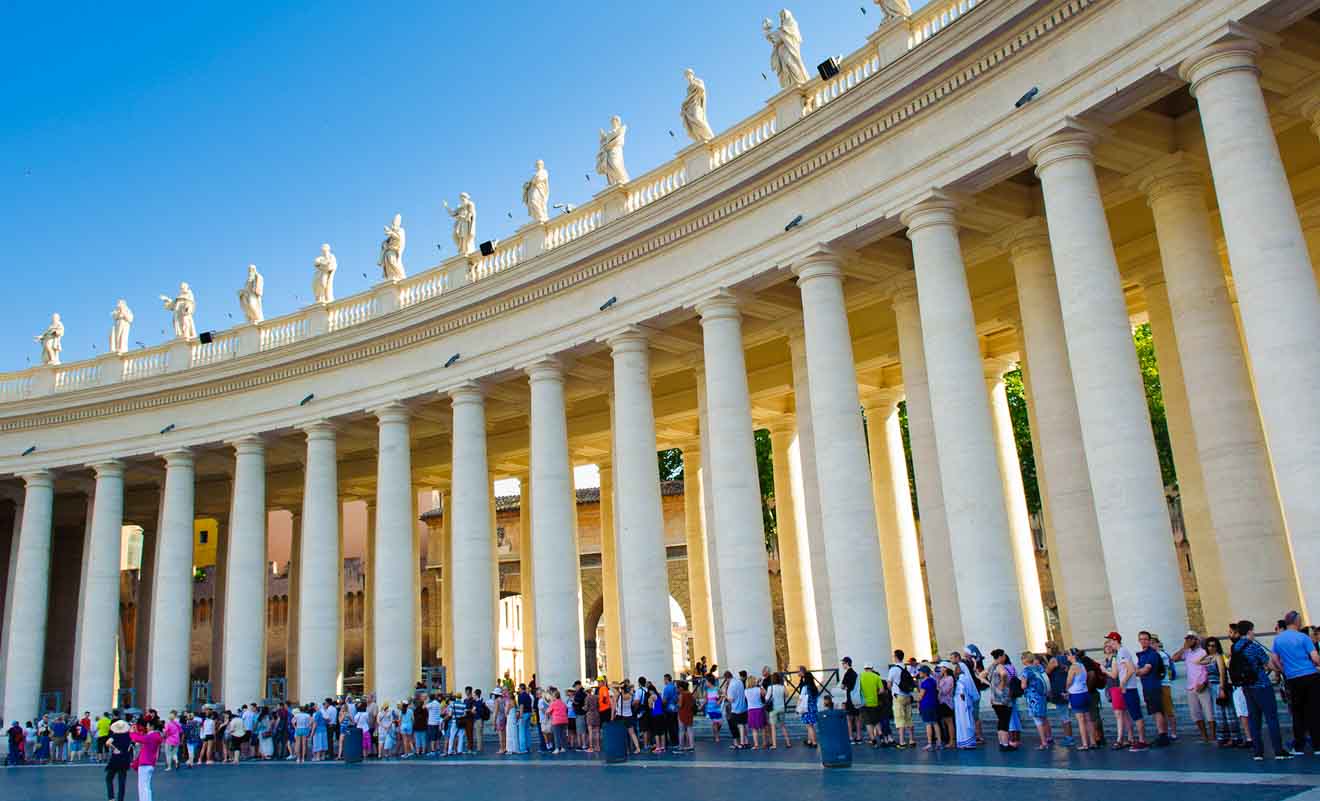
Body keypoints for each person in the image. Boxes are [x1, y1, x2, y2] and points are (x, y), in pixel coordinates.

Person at [1232, 619, 1290, 760]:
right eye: (1253, 630)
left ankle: (1258, 752)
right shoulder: (1254, 647)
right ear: (1250, 631)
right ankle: (1278, 750)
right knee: (1271, 718)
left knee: (1254, 718)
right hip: (1261, 685)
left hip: (1247, 686)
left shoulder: (1235, 647)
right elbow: (1268, 664)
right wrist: (1280, 669)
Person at [1274, 610, 1320, 755]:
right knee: (1314, 710)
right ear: (1296, 621)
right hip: (1310, 675)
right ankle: (1318, 746)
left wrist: (1284, 670)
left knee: (1297, 712)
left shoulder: (1279, 639)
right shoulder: (1303, 637)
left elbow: (1274, 659)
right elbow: (1315, 658)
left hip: (1292, 678)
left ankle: (1299, 746)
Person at [1174, 632, 1214, 743]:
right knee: (1195, 713)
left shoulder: (1204, 651)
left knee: (1209, 712)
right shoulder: (1186, 652)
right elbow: (1174, 658)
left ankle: (1213, 736)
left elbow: (1208, 668)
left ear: (1196, 640)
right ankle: (1204, 736)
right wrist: (1183, 648)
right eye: (1186, 639)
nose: (1188, 641)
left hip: (1202, 685)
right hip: (1191, 687)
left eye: (1190, 639)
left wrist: (1205, 682)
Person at [1136, 631, 1170, 746]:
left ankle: (1163, 736)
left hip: (1153, 686)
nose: (1143, 641)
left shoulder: (1152, 654)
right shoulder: (1143, 654)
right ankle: (1162, 734)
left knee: (1157, 711)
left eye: (1145, 639)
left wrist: (1131, 671)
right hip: (1147, 686)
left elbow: (1145, 670)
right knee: (1155, 711)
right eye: (1141, 639)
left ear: (1149, 640)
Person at [1045, 643, 1075, 746]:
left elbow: (1046, 672)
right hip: (1068, 687)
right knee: (1068, 714)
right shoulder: (1066, 658)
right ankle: (1070, 737)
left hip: (1058, 689)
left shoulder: (1054, 660)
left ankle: (1069, 738)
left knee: (1064, 715)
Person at [1021, 652, 1053, 749]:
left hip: (1033, 697)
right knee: (1044, 717)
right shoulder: (1039, 667)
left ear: (1025, 660)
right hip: (1042, 695)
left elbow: (1023, 685)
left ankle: (1043, 743)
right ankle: (1049, 737)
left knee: (1037, 720)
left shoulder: (1026, 671)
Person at [1066, 651, 1095, 750]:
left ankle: (1085, 744)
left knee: (1081, 721)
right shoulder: (1082, 665)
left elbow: (1069, 681)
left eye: (1068, 654)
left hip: (1076, 694)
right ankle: (1093, 742)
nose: (1067, 656)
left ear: (1073, 656)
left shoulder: (1073, 667)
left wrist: (1066, 689)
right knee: (1088, 719)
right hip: (1084, 692)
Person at [888, 650, 916, 748]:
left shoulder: (893, 669)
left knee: (900, 719)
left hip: (898, 696)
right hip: (908, 695)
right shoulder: (907, 667)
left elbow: (889, 684)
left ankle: (902, 741)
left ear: (895, 657)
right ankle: (912, 740)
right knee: (909, 718)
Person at [131, 717, 163, 801]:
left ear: (152, 726)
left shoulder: (151, 736)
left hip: (145, 763)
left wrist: (132, 733)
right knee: (146, 785)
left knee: (143, 786)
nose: (147, 727)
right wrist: (136, 732)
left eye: (148, 725)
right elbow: (142, 737)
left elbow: (139, 739)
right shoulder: (156, 736)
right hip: (150, 762)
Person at [953, 659, 981, 749]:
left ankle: (967, 741)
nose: (956, 669)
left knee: (965, 721)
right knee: (962, 722)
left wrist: (962, 699)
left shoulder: (962, 678)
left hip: (962, 704)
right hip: (960, 703)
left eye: (957, 668)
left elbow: (962, 692)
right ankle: (965, 741)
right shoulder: (962, 678)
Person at [104, 718, 132, 801]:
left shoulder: (115, 735)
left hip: (115, 759)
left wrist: (114, 748)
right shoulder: (128, 736)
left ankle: (111, 797)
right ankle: (120, 799)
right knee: (122, 781)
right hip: (125, 758)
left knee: (109, 778)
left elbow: (107, 743)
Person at [858, 662, 885, 746]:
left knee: (868, 722)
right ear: (872, 668)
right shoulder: (876, 676)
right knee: (876, 720)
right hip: (874, 702)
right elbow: (882, 690)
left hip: (864, 703)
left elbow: (857, 690)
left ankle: (873, 740)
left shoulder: (860, 676)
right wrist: (874, 693)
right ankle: (880, 734)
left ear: (864, 669)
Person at [916, 665, 940, 751]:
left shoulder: (924, 683)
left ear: (924, 673)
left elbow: (921, 695)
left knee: (928, 724)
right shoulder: (933, 681)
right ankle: (939, 742)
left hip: (926, 705)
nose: (919, 673)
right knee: (935, 723)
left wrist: (917, 700)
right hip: (934, 704)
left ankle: (930, 743)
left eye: (920, 672)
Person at [797, 666, 820, 748]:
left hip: (806, 709)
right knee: (810, 725)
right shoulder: (814, 688)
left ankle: (814, 742)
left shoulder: (805, 687)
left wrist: (798, 708)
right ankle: (809, 740)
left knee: (809, 726)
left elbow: (800, 698)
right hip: (813, 708)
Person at [841, 656, 862, 744]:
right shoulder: (855, 673)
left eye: (843, 664)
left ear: (847, 663)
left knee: (849, 719)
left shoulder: (847, 674)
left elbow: (842, 686)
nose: (842, 665)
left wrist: (846, 688)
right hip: (856, 698)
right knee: (857, 718)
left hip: (850, 699)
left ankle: (851, 737)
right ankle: (859, 737)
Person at [766, 672, 790, 750]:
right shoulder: (782, 687)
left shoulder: (770, 688)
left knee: (773, 727)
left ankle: (774, 744)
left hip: (773, 709)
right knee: (783, 726)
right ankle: (788, 742)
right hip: (781, 708)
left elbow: (766, 698)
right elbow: (787, 695)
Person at [744, 673, 766, 750]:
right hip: (759, 708)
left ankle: (756, 744)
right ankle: (764, 743)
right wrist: (760, 685)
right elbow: (764, 694)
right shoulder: (758, 689)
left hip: (751, 710)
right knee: (762, 727)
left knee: (754, 729)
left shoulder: (746, 691)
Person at [726, 670, 747, 748]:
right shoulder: (739, 681)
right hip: (743, 706)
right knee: (743, 725)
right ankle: (744, 742)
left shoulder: (731, 685)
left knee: (737, 726)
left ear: (727, 678)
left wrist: (725, 696)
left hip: (735, 708)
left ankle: (741, 743)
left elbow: (731, 699)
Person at [678, 679, 697, 752]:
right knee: (690, 730)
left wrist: (676, 704)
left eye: (678, 687)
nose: (678, 688)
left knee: (681, 731)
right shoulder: (689, 694)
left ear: (681, 688)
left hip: (682, 714)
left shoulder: (682, 694)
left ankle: (681, 746)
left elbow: (680, 705)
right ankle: (691, 745)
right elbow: (692, 703)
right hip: (689, 713)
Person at [703, 672, 723, 742]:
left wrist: (719, 701)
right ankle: (717, 737)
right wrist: (701, 706)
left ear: (709, 682)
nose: (705, 683)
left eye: (706, 681)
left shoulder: (717, 689)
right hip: (710, 709)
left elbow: (722, 696)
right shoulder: (707, 690)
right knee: (715, 722)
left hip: (717, 708)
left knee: (720, 723)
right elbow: (706, 700)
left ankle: (715, 733)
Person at [549, 689, 569, 754]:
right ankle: (563, 748)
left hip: (556, 721)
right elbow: (566, 709)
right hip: (564, 721)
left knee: (556, 735)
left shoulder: (553, 703)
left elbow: (548, 711)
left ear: (554, 696)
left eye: (552, 696)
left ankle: (557, 749)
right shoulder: (563, 703)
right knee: (563, 735)